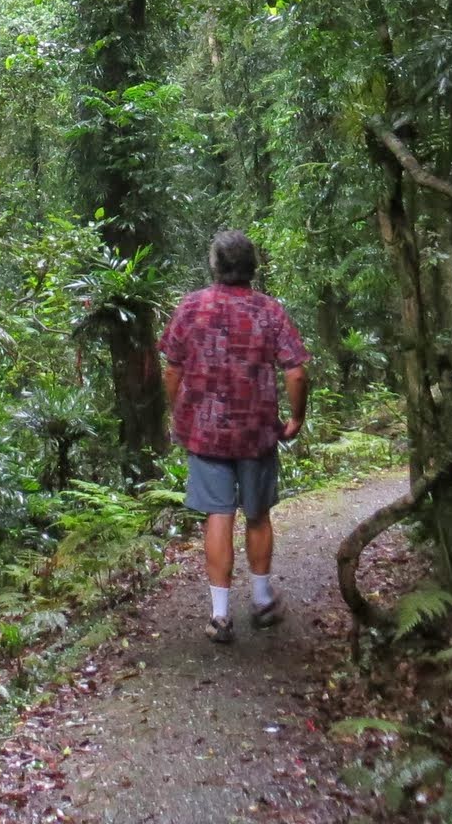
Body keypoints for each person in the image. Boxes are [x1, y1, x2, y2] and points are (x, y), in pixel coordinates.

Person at [158, 230, 310, 644]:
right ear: (252, 267)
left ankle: (221, 616)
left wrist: (179, 411)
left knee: (218, 515)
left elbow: (172, 368)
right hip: (256, 431)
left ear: (215, 265)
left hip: (205, 434)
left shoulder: (191, 308)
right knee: (258, 514)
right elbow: (295, 371)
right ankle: (262, 602)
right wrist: (295, 417)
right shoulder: (269, 311)